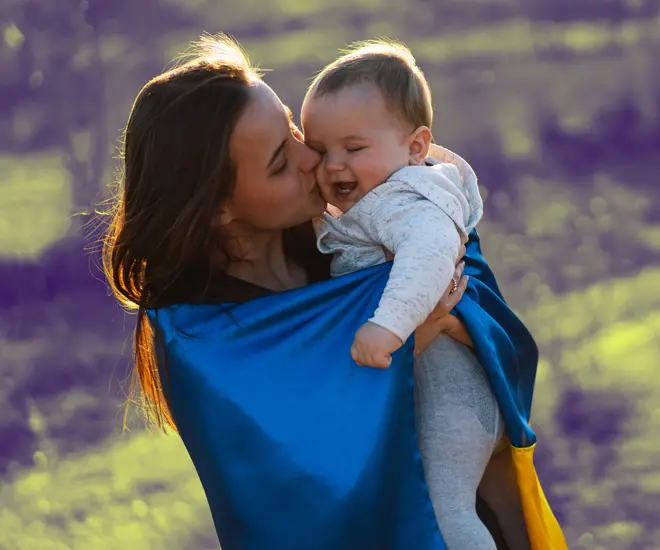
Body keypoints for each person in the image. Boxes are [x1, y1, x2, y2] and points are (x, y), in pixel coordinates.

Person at [102, 34, 566, 550]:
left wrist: (453, 320)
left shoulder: (344, 232)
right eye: (281, 161)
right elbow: (294, 469)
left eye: (295, 131)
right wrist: (415, 337)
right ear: (219, 208)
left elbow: (464, 272)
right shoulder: (200, 337)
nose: (312, 160)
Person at [300, 39, 528, 550]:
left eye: (353, 149)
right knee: (502, 515)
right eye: (320, 151)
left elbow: (427, 259)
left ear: (416, 147)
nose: (334, 166)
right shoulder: (381, 193)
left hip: (451, 390)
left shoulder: (407, 200)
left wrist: (389, 326)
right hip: (454, 387)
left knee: (445, 511)